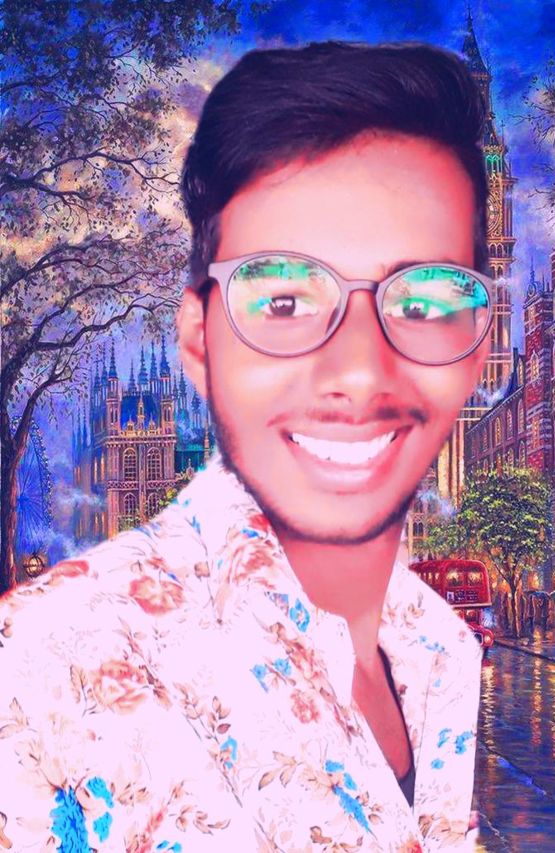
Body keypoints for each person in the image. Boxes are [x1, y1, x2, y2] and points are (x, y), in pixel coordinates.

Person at [0, 42, 492, 851]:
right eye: (286, 300)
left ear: (477, 346)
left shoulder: (441, 649)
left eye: (424, 301)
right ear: (199, 339)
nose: (359, 371)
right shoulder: (43, 664)